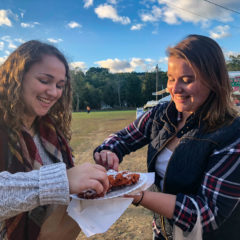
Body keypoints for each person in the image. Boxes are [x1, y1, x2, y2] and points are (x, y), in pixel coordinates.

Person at [94, 34, 240, 240]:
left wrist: (140, 196)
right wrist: (108, 151)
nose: (175, 88)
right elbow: (122, 138)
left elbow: (208, 214)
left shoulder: (233, 133)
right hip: (164, 232)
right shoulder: (161, 114)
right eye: (171, 78)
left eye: (187, 80)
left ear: (213, 81)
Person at [0, 40, 109, 240]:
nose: (54, 92)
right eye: (44, 81)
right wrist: (61, 181)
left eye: (60, 85)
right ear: (17, 78)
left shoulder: (50, 130)